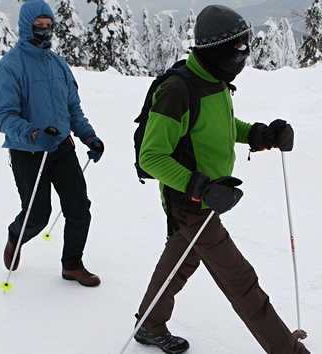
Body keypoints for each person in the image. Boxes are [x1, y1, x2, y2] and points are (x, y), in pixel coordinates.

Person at [132, 4, 311, 354]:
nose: (244, 56)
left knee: (182, 259)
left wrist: (262, 135)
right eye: (239, 48)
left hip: (207, 196)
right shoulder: (177, 90)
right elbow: (151, 157)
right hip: (190, 202)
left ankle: (149, 324)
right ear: (217, 49)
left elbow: (221, 128)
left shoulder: (214, 80)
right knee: (241, 281)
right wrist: (199, 187)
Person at [0, 0, 104, 287]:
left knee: (79, 207)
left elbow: (73, 109)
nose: (44, 32)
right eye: (38, 27)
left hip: (62, 148)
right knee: (38, 215)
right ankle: (16, 235)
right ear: (26, 27)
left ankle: (72, 266)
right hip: (28, 151)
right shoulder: (10, 66)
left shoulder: (58, 64)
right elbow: (3, 115)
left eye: (48, 26)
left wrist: (88, 136)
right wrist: (32, 134)